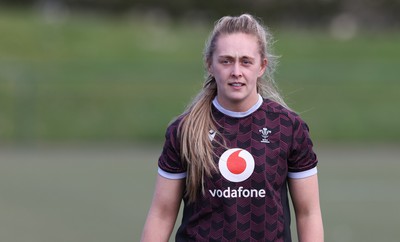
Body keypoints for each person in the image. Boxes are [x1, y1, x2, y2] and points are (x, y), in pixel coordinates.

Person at [141, 13, 324, 242]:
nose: (236, 71)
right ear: (210, 64)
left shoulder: (288, 127)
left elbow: (308, 214)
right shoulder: (184, 130)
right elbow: (161, 214)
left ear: (261, 66)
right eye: (226, 61)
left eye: (246, 61)